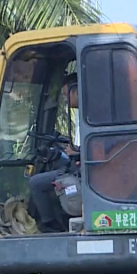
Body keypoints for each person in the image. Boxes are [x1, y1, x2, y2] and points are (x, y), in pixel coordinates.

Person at [28, 73, 80, 232]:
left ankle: (50, 226)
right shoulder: (82, 115)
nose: (64, 99)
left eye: (65, 94)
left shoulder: (88, 116)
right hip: (76, 165)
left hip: (79, 170)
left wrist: (75, 152)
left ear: (76, 91)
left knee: (36, 183)